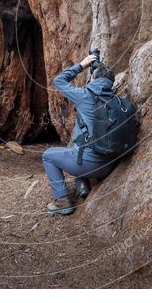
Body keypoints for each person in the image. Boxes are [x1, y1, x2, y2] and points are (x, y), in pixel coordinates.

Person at [42, 53, 118, 215]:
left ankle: (62, 201)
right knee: (81, 142)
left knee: (48, 155)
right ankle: (82, 184)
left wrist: (81, 65)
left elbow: (58, 81)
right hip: (109, 166)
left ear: (93, 80)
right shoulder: (117, 102)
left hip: (89, 165)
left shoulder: (85, 96)